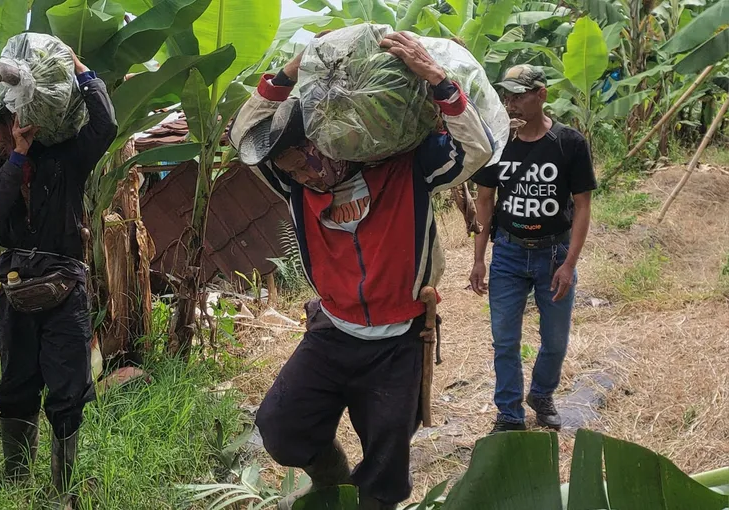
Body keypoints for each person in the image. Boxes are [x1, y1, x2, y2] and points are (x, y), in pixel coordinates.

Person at [230, 32, 495, 510]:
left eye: (305, 166)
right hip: (332, 331)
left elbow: (475, 149)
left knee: (386, 463)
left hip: (399, 341)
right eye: (292, 172)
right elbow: (242, 134)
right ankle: (334, 483)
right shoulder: (296, 189)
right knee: (281, 428)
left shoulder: (405, 170)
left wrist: (435, 78)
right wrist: (292, 70)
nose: (302, 177)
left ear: (329, 143)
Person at [0, 50, 117, 507]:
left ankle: (61, 487)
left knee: (68, 388)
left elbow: (104, 127)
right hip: (15, 285)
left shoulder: (64, 157)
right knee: (16, 384)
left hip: (65, 283)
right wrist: (17, 155)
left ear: (12, 119)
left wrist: (84, 70)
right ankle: (16, 480)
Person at [468, 65, 596, 434]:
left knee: (554, 341)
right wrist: (479, 259)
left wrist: (569, 264)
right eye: (506, 96)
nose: (510, 104)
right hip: (508, 252)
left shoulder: (568, 143)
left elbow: (583, 205)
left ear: (541, 94)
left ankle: (541, 395)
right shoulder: (498, 142)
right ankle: (509, 414)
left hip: (553, 255)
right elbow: (485, 200)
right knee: (505, 341)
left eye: (518, 96)